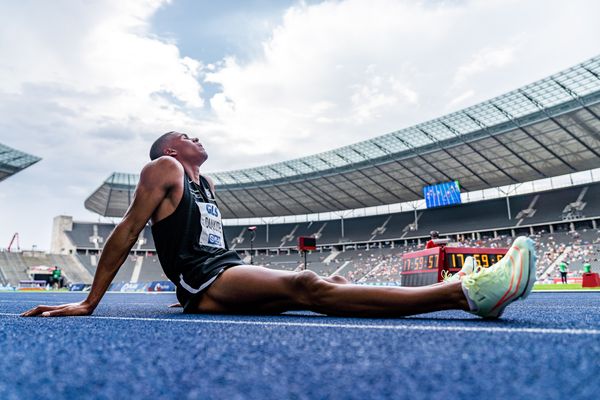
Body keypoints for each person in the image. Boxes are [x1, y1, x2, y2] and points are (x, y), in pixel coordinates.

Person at [22, 132, 537, 319]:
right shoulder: (164, 170)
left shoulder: (208, 185)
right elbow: (128, 230)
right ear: (170, 150)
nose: (194, 136)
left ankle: (468, 298)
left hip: (218, 271)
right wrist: (90, 300)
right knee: (307, 283)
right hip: (205, 280)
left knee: (332, 282)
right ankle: (465, 293)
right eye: (184, 134)